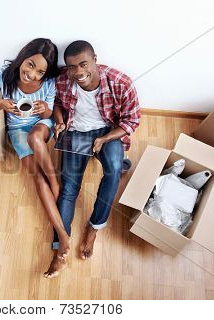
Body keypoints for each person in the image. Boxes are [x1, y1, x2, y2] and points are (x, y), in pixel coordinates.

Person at [44, 40, 141, 278]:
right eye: (71, 67)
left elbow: (131, 121)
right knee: (69, 188)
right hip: (76, 131)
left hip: (107, 132)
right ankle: (60, 248)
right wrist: (59, 120)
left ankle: (94, 227)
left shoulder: (121, 82)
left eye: (83, 64)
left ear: (95, 59)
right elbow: (56, 103)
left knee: (114, 170)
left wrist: (105, 139)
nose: (78, 72)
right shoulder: (64, 80)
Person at [0, 38, 71, 259]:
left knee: (36, 138)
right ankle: (62, 235)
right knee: (37, 179)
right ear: (23, 56)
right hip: (17, 130)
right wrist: (0, 104)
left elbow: (49, 115)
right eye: (30, 65)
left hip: (41, 125)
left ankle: (55, 182)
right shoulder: (2, 75)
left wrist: (46, 109)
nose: (32, 74)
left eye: (40, 71)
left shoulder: (48, 82)